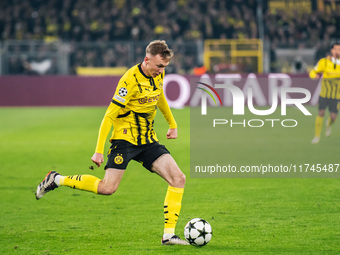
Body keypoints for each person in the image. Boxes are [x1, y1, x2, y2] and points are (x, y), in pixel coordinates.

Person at [35, 40, 188, 245]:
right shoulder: (129, 80)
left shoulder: (158, 75)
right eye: (159, 66)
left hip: (148, 140)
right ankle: (57, 179)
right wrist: (99, 150)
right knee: (108, 188)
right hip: (124, 140)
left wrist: (172, 123)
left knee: (178, 178)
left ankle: (169, 235)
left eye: (165, 67)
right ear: (147, 60)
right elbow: (109, 116)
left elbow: (159, 97)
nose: (161, 71)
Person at [310, 42, 340, 144]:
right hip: (324, 94)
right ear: (331, 50)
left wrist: (331, 74)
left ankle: (329, 124)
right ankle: (316, 136)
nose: (337, 51)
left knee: (333, 117)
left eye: (339, 50)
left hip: (336, 96)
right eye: (336, 49)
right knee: (321, 113)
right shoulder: (324, 62)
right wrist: (314, 75)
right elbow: (313, 71)